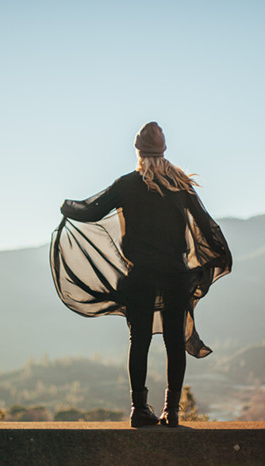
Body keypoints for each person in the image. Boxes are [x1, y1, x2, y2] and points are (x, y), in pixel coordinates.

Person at [50, 122, 231, 427]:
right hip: (175, 275)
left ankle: (138, 409)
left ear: (138, 152)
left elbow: (91, 211)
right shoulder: (180, 185)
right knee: (175, 341)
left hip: (140, 277)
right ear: (163, 151)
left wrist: (66, 206)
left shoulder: (127, 184)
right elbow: (207, 225)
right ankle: (171, 411)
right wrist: (216, 257)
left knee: (140, 341)